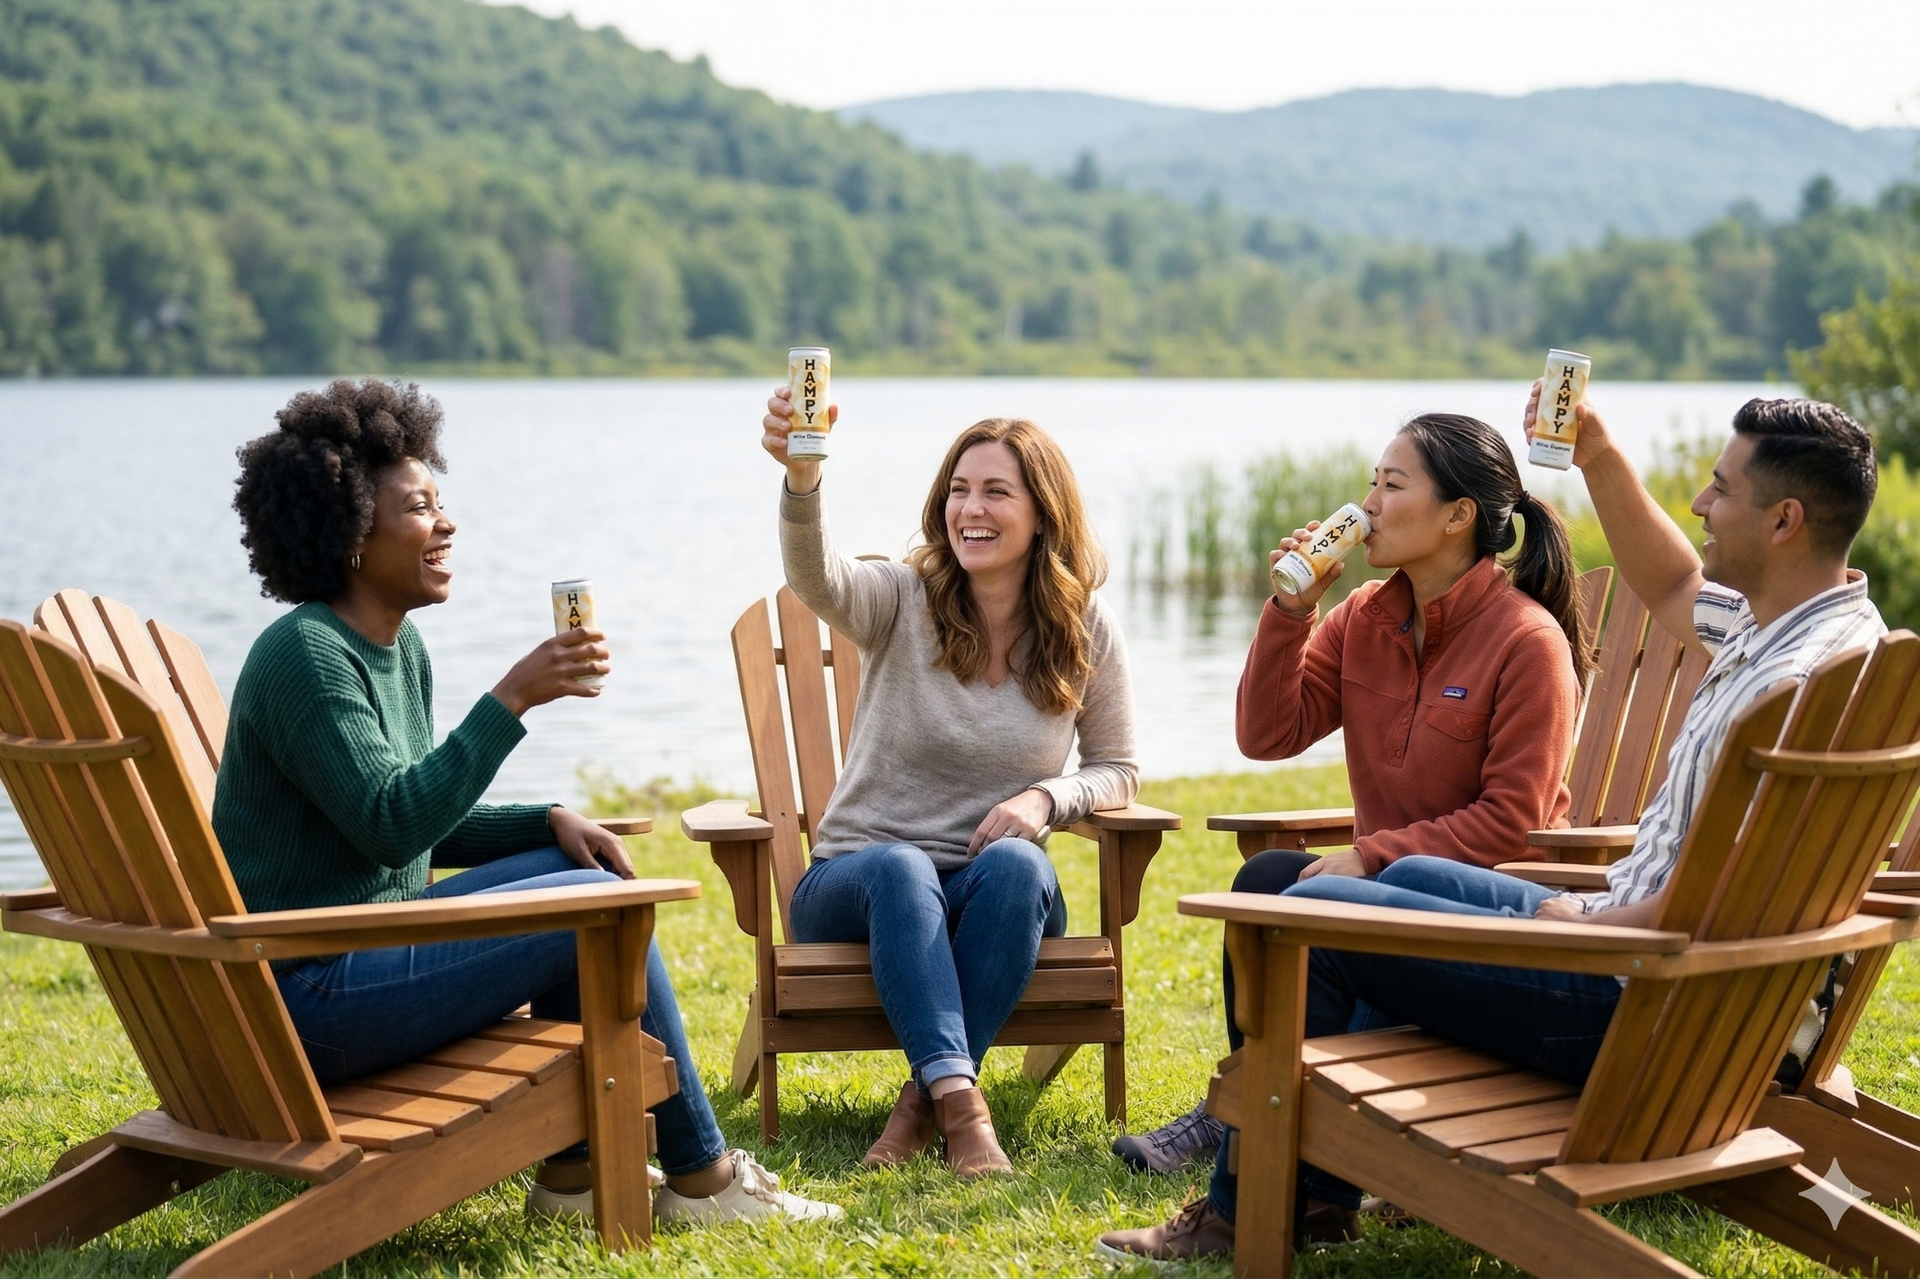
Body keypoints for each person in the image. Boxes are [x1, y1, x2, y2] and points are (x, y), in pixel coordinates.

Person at [1097, 393, 1885, 1264]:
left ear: (1783, 519)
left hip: (1650, 1003)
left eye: (1719, 488)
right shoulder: (1797, 640)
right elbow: (1666, 582)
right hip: (1674, 984)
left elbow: (1736, 896)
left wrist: (1585, 924)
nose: (1700, 503)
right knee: (1380, 886)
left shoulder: (1801, 687)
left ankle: (1255, 1208)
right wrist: (1595, 450)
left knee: (1308, 921)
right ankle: (1303, 1179)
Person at [215, 378, 839, 1228]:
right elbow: (393, 821)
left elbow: (395, 824)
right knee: (592, 907)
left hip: (358, 953)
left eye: (441, 502)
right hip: (309, 999)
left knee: (567, 867)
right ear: (352, 532)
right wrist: (513, 697)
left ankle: (574, 1176)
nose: (447, 524)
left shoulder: (396, 649)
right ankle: (701, 1177)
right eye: (421, 507)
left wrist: (543, 820)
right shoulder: (307, 657)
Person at [1115, 413, 1589, 1177]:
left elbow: (1515, 820)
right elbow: (1267, 735)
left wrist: (1372, 856)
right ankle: (1242, 1102)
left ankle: (1243, 1120)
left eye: (1392, 484)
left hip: (1482, 913)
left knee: (1330, 964)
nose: (1368, 502)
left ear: (1458, 515)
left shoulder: (1527, 641)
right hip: (1375, 901)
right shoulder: (1365, 617)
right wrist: (1291, 611)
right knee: (1267, 879)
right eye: (1372, 480)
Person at [761, 386, 1138, 1178]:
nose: (972, 507)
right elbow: (816, 579)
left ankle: (921, 1103)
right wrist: (803, 480)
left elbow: (1117, 769)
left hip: (988, 894)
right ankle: (963, 1113)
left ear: (1043, 513)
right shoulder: (899, 597)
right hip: (855, 888)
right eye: (959, 490)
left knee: (1022, 865)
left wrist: (1047, 797)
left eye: (997, 491)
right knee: (901, 866)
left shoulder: (1084, 628)